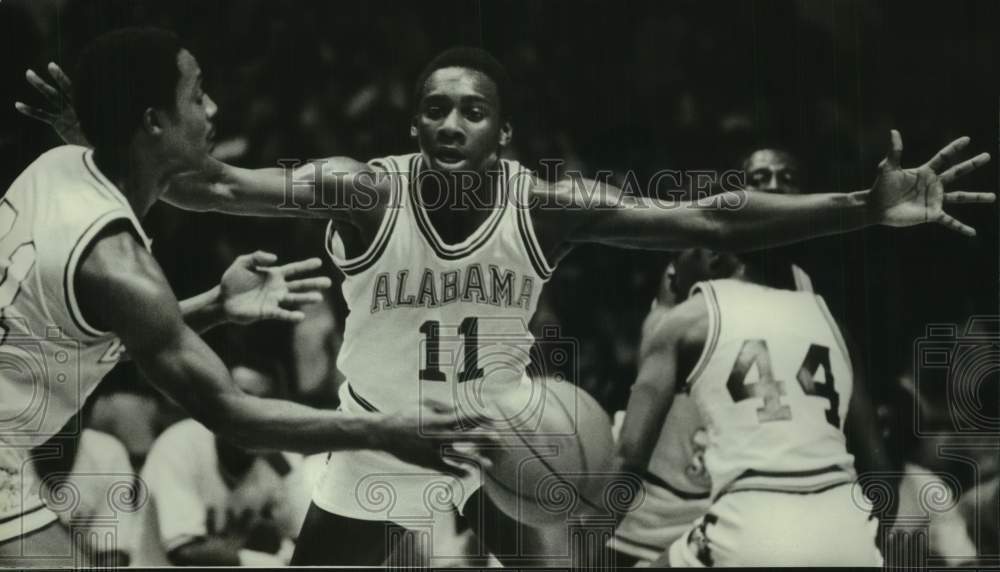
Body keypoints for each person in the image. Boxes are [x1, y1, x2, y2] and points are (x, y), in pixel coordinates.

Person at [19, 43, 993, 566]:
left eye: (470, 108)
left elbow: (711, 212)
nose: (449, 121)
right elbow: (207, 189)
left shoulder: (547, 204)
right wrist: (114, 136)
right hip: (373, 436)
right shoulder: (365, 187)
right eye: (434, 107)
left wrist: (862, 204)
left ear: (503, 129)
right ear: (413, 125)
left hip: (513, 434)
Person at [1, 29, 492, 567]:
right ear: (152, 122)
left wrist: (213, 306)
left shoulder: (58, 165)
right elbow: (233, 416)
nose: (211, 108)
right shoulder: (119, 268)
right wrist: (383, 431)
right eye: (195, 94)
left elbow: (73, 345)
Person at [615, 245, 887, 566]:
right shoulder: (828, 319)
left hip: (752, 519)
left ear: (714, 256)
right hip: (845, 522)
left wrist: (580, 544)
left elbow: (628, 459)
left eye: (677, 255)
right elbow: (880, 476)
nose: (672, 273)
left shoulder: (687, 319)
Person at [134, 364, 310, 567]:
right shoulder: (179, 444)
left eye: (264, 402)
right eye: (242, 398)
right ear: (216, 404)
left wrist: (287, 476)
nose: (253, 412)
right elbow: (185, 553)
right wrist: (270, 563)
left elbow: (308, 544)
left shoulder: (281, 458)